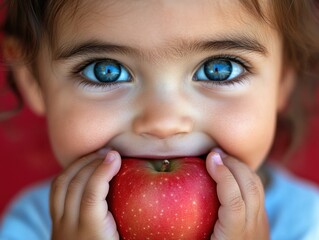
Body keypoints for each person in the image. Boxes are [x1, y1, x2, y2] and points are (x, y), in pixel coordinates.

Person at [1, 0, 319, 239]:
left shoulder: (307, 224)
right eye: (105, 71)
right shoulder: (31, 226)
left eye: (219, 69)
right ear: (32, 78)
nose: (163, 122)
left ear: (283, 78)